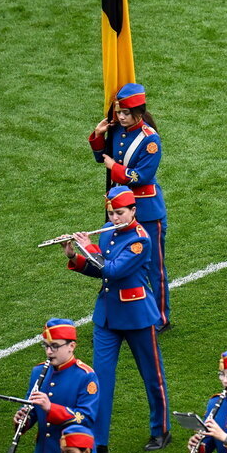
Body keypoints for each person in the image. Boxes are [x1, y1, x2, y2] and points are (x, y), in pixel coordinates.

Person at [63, 186, 170, 453]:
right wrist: (75, 257)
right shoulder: (108, 231)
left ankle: (161, 430)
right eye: (111, 213)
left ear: (134, 210)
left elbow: (113, 270)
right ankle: (98, 443)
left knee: (152, 376)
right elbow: (100, 272)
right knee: (100, 381)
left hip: (136, 316)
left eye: (120, 213)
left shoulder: (140, 240)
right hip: (107, 317)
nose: (114, 218)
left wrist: (88, 247)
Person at [87, 83, 170, 331]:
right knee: (115, 260)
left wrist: (115, 168)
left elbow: (140, 176)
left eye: (125, 113)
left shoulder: (150, 140)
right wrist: (99, 135)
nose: (120, 117)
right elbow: (100, 158)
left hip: (146, 210)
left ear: (138, 112)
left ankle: (161, 318)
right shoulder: (117, 131)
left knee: (154, 267)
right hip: (119, 209)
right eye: (118, 112)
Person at [12, 319, 100, 453]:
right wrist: (21, 421)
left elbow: (85, 418)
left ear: (72, 346)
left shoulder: (85, 377)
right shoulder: (38, 372)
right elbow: (32, 411)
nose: (49, 352)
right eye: (46, 346)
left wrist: (51, 408)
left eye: (55, 346)